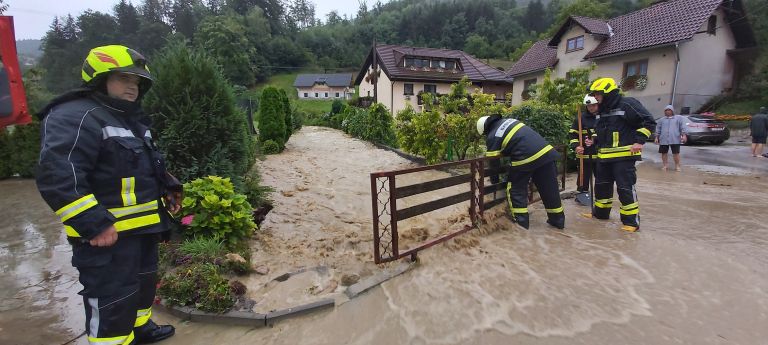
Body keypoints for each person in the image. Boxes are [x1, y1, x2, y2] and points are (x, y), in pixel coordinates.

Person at [36, 45, 181, 345]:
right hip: (107, 237)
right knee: (112, 300)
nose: (133, 85)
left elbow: (139, 166)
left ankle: (140, 330)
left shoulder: (128, 120)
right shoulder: (74, 116)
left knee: (141, 290)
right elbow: (58, 175)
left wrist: (168, 186)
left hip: (141, 231)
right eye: (124, 78)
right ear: (99, 79)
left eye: (138, 81)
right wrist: (94, 223)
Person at [585, 77, 656, 232]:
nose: (595, 97)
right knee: (601, 189)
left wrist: (640, 141)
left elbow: (649, 122)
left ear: (608, 92)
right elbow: (603, 132)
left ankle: (631, 223)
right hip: (604, 158)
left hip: (623, 157)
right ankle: (600, 215)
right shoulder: (602, 110)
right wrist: (594, 141)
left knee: (625, 189)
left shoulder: (627, 104)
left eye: (597, 94)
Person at [478, 114, 565, 230]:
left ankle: (521, 226)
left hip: (526, 157)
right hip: (546, 153)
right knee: (549, 188)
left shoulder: (493, 135)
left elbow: (493, 163)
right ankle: (558, 221)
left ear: (485, 130)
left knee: (515, 189)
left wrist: (495, 184)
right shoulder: (510, 121)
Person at [570, 95, 599, 206]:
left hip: (599, 154)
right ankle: (582, 195)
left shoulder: (603, 116)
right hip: (583, 155)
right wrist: (577, 146)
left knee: (601, 177)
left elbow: (606, 134)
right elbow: (572, 134)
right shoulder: (580, 118)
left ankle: (600, 197)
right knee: (583, 176)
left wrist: (595, 140)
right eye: (589, 106)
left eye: (593, 105)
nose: (591, 108)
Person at [654, 105, 688, 171]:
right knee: (664, 153)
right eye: (666, 110)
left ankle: (677, 166)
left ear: (672, 111)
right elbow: (658, 129)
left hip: (675, 138)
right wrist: (656, 137)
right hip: (663, 139)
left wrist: (684, 135)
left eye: (669, 110)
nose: (667, 111)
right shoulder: (662, 120)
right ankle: (665, 165)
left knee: (676, 153)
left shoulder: (678, 119)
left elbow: (682, 127)